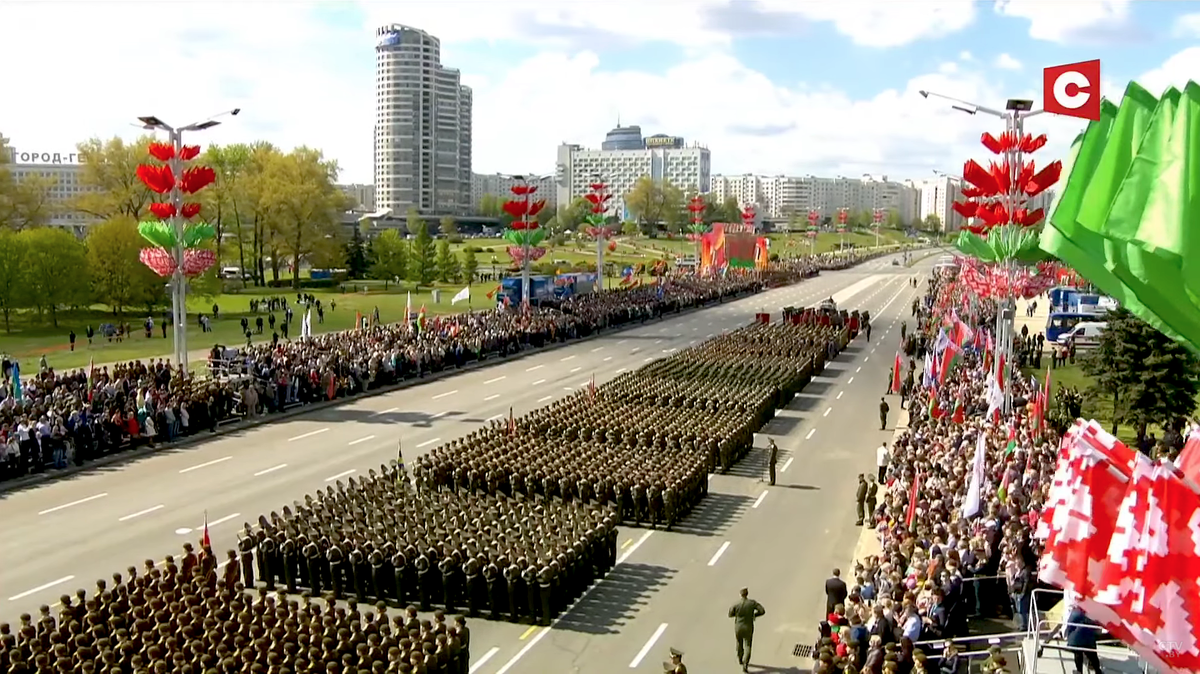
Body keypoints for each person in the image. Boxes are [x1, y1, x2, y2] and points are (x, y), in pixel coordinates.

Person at [728, 587, 765, 672]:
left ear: (741, 594)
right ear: (747, 594)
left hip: (738, 626)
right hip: (748, 627)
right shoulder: (752, 603)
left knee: (739, 643)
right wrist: (754, 615)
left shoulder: (736, 604)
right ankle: (745, 664)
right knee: (748, 645)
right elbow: (762, 611)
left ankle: (740, 658)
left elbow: (730, 614)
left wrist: (737, 615)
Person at [1065, 606, 1103, 674]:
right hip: (1088, 639)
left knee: (1078, 655)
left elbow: (1069, 625)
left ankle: (1079, 671)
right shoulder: (1092, 614)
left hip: (1076, 639)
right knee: (1092, 655)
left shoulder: (1075, 612)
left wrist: (1069, 637)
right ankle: (1098, 670)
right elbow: (1097, 627)